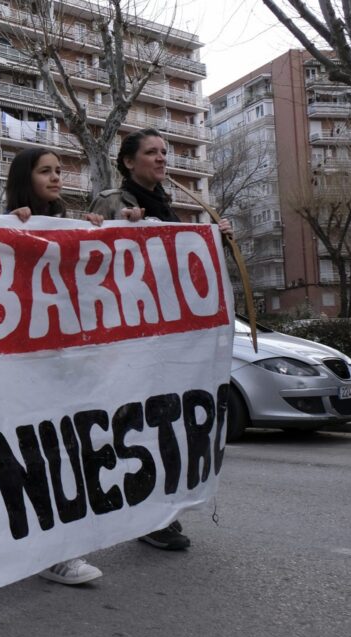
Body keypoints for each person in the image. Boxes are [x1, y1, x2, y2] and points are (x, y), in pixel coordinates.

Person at [90, 128, 230, 552]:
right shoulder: (113, 201)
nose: (161, 158)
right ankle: (144, 516)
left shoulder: (168, 209)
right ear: (129, 162)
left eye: (164, 152)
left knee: (168, 426)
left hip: (167, 340)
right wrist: (117, 227)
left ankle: (158, 512)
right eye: (151, 152)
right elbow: (90, 258)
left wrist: (214, 240)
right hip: (130, 339)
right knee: (138, 429)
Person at [3, 147, 105, 587]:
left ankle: (59, 549)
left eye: (60, 170)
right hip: (22, 365)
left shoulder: (71, 224)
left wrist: (99, 232)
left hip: (65, 364)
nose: (56, 177)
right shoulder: (5, 223)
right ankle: (47, 549)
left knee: (67, 454)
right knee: (36, 456)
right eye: (46, 171)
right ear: (26, 178)